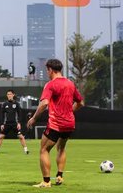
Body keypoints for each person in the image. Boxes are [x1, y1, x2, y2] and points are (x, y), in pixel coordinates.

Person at [27, 59, 84, 188]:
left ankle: (46, 182)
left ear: (51, 70)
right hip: (69, 123)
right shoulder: (70, 84)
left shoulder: (50, 84)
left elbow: (44, 103)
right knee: (61, 148)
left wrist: (34, 118)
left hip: (56, 124)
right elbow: (80, 102)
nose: (47, 72)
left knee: (44, 150)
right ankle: (59, 176)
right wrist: (70, 111)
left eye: (47, 70)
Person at [0, 89, 29, 155]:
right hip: (7, 124)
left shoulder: (16, 104)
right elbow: (2, 115)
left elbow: (19, 114)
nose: (9, 95)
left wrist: (19, 123)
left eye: (10, 94)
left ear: (13, 95)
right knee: (1, 137)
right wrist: (2, 124)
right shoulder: (4, 104)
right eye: (8, 94)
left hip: (15, 124)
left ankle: (26, 150)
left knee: (21, 137)